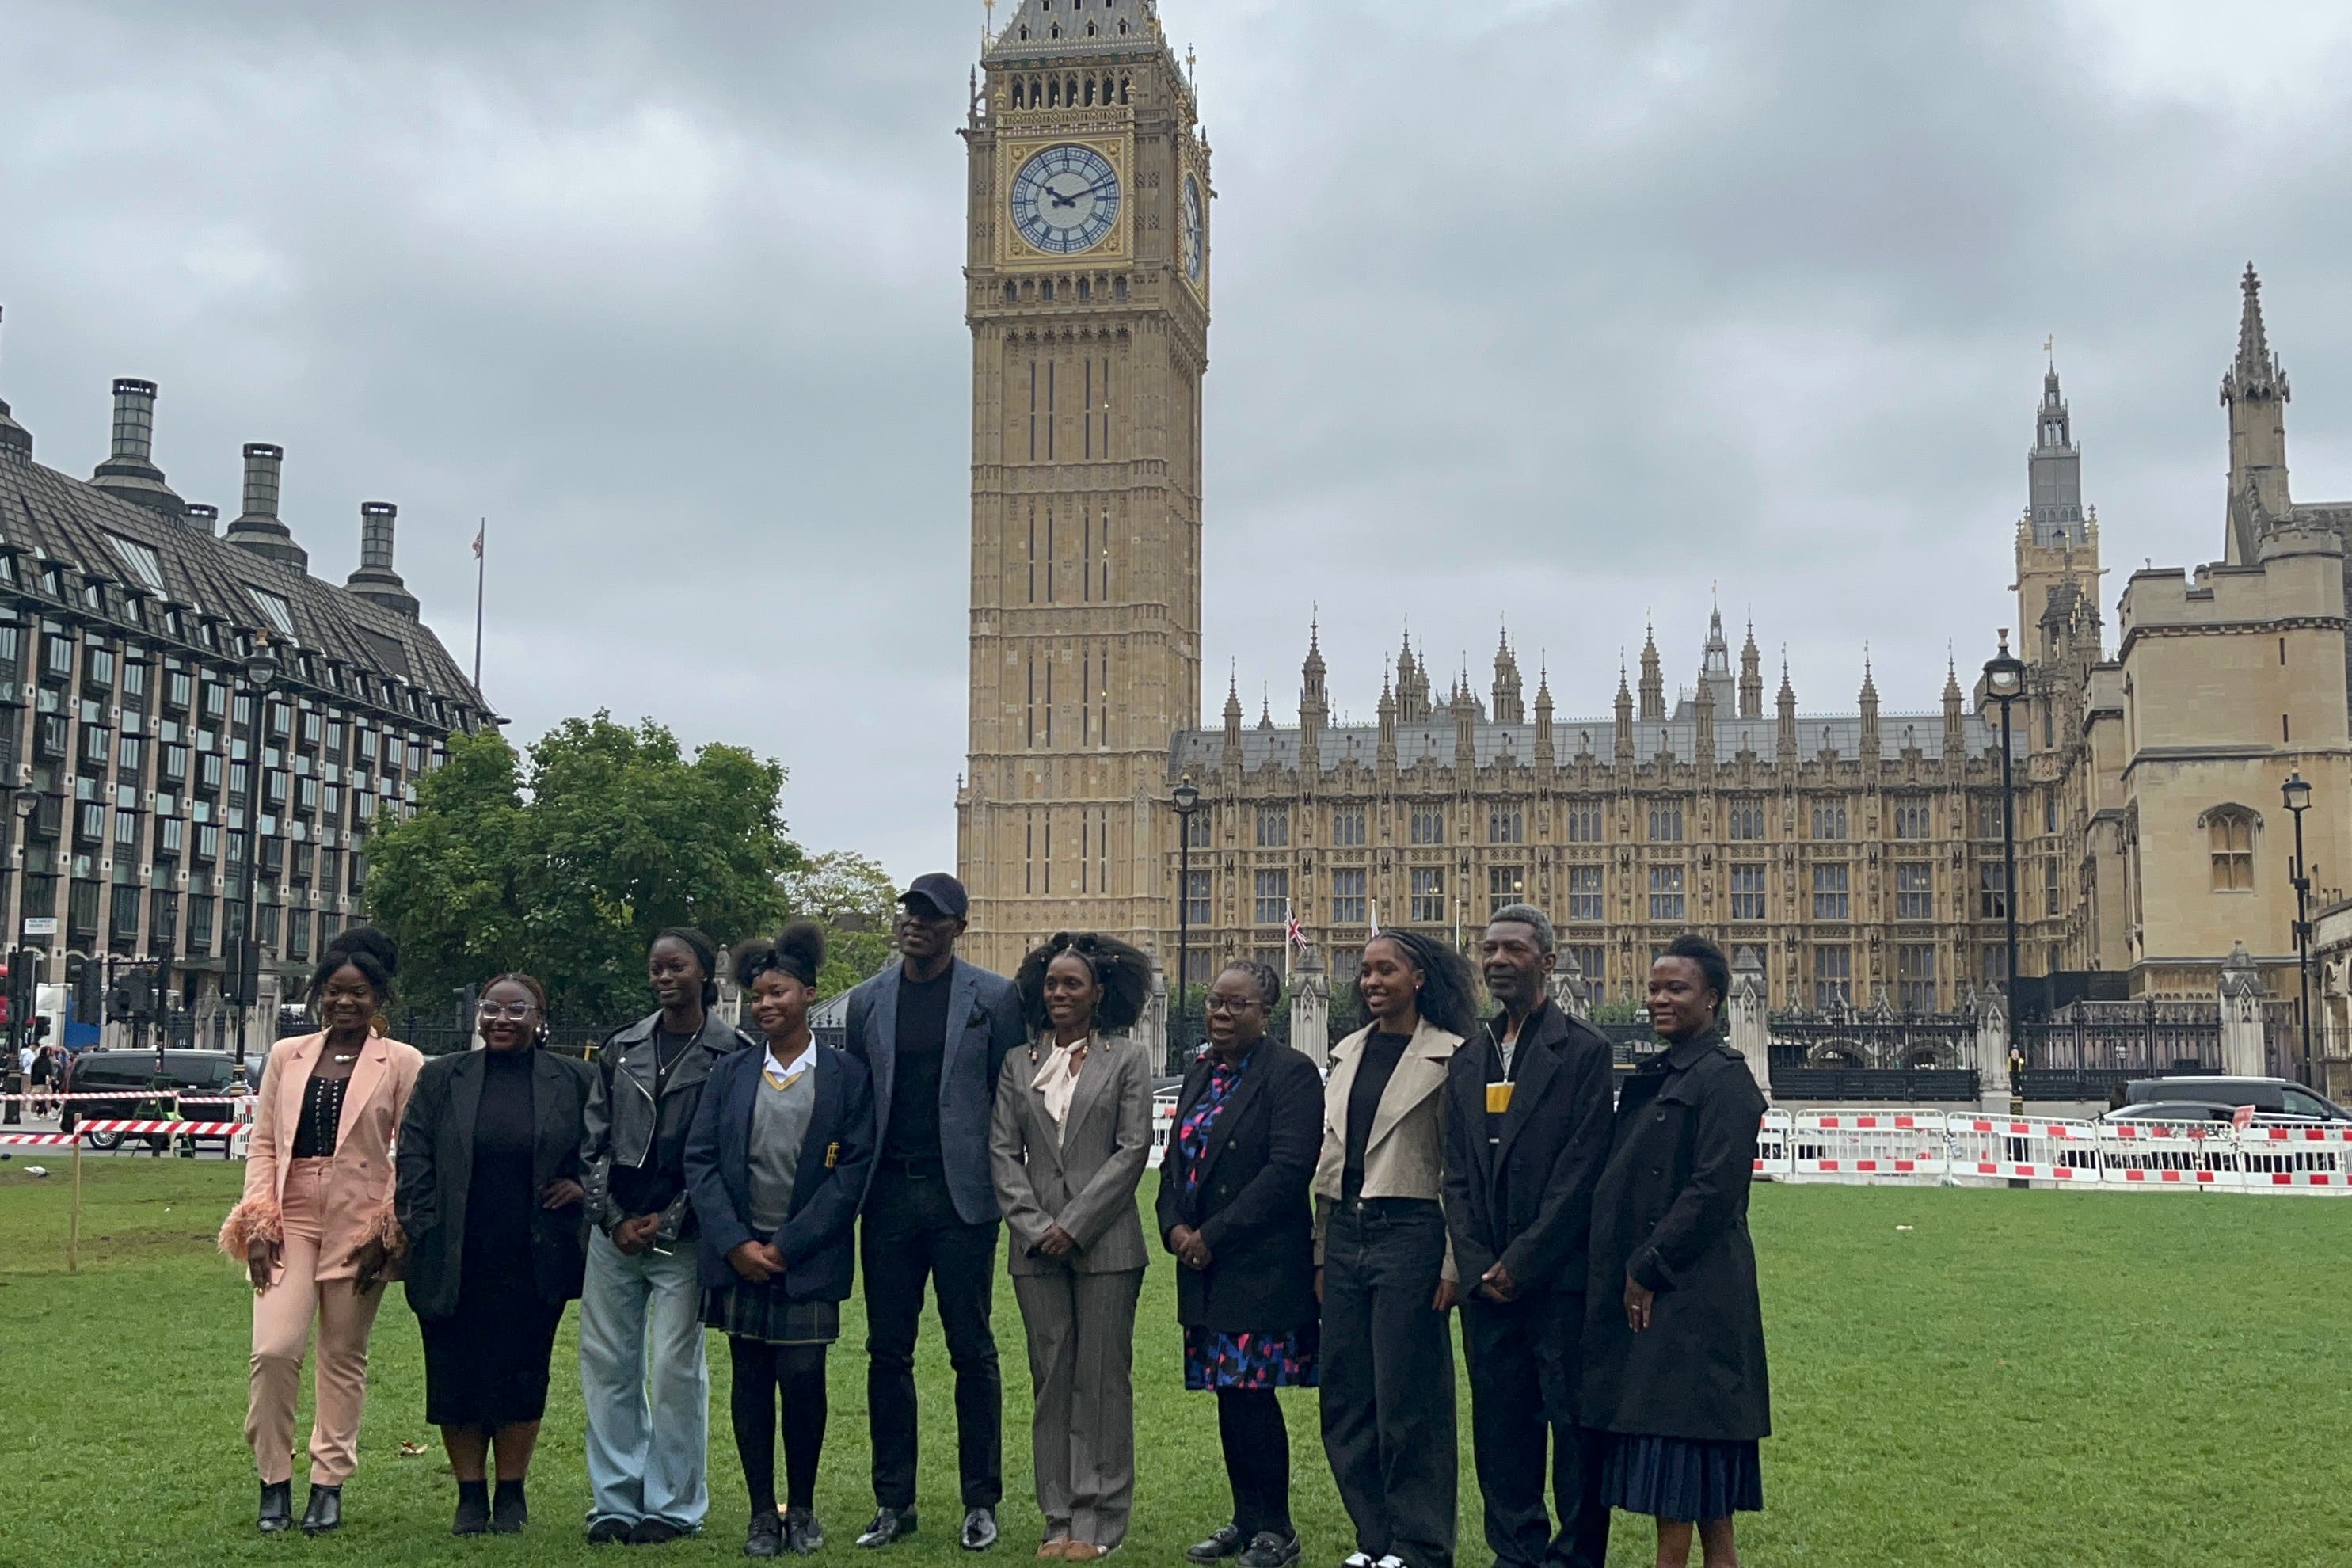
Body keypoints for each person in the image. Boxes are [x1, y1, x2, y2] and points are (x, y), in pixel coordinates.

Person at [841, 872, 1026, 1551]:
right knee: (887, 1351)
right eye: (910, 912)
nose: (915, 923)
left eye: (932, 915)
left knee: (971, 1350)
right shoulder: (867, 1001)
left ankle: (981, 1501)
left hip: (961, 1199)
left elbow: (1011, 1095)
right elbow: (859, 1100)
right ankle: (895, 1503)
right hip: (887, 1198)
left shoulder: (996, 998)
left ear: (958, 928)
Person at [217, 928, 422, 1537]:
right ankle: (273, 1480)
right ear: (319, 994)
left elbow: (411, 1152)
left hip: (361, 1221)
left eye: (358, 993)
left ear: (378, 996)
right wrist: (257, 1222)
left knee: (342, 1356)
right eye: (334, 992)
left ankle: (327, 1483)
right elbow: (262, 1144)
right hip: (291, 1213)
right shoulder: (288, 1055)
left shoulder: (402, 1062)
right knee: (274, 1350)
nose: (345, 1003)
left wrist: (388, 1230)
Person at [686, 923, 877, 1558]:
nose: (767, 1004)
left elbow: (852, 1169)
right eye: (758, 994)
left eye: (779, 992)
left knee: (803, 1379)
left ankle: (804, 1507)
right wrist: (737, 1243)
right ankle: (762, 1513)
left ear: (809, 994)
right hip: (741, 1255)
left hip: (807, 1256)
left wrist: (791, 1243)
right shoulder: (732, 1072)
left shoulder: (847, 1076)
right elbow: (703, 1159)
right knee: (749, 1378)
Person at [1582, 934, 1771, 1568]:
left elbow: (1714, 1189)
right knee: (1708, 1491)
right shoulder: (1666, 1073)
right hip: (1673, 1289)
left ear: (1714, 999)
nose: (1659, 999)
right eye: (1655, 988)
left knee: (1682, 1480)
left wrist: (1648, 1265)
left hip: (1691, 1297)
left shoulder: (1723, 1079)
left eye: (1676, 989)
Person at [1442, 907, 1616, 1568]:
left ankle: (1575, 1555)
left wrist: (1524, 1261)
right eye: (1488, 950)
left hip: (1557, 1279)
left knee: (1572, 1429)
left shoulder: (1584, 1051)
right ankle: (1515, 1550)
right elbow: (1456, 1172)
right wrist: (1483, 1264)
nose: (1497, 961)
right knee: (1502, 1429)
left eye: (1513, 949)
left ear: (1546, 961)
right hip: (1489, 1285)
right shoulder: (1470, 1056)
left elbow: (1580, 1172)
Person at [395, 973, 596, 1536]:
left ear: (540, 1018)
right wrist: (422, 1223)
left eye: (516, 1010)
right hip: (453, 1249)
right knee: (455, 1372)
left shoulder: (573, 1078)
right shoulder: (441, 1078)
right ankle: (469, 1493)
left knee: (521, 1371)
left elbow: (604, 1147)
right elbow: (414, 1152)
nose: (501, 1020)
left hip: (534, 1251)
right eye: (491, 1009)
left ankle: (511, 1491)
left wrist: (583, 1188)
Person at [578, 927, 752, 1545]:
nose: (663, 977)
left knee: (676, 1369)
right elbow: (593, 1142)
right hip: (615, 1232)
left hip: (686, 1236)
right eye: (655, 968)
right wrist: (612, 1217)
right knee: (608, 1366)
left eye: (676, 967)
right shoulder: (622, 1047)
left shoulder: (733, 1053)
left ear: (706, 973)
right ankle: (615, 1502)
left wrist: (671, 1218)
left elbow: (729, 1154)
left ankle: (674, 1505)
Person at [990, 932, 1155, 1562]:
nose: (1060, 994)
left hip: (1107, 1243)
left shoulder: (1128, 1060)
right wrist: (1035, 1227)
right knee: (1051, 1378)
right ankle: (1057, 1517)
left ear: (1098, 994)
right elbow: (1003, 1154)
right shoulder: (1017, 1064)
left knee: (1103, 1381)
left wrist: (1076, 1224)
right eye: (1052, 984)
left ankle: (1100, 1521)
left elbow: (1132, 1149)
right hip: (1034, 1250)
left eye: (1072, 984)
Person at [1315, 930, 1477, 1568]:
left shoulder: (1454, 1056)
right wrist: (1323, 1249)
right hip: (1348, 1232)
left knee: (1410, 1400)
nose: (1372, 982)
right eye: (1365, 972)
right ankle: (1374, 1536)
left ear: (1419, 979)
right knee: (1348, 1396)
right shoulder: (1348, 1051)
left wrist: (1452, 1262)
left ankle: (1421, 1543)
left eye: (1387, 971)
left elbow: (1460, 1170)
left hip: (1411, 1233)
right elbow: (1333, 1159)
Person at [1156, 960, 1323, 1568]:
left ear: (1266, 1012)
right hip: (1202, 1264)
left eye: (1237, 1006)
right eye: (1214, 1003)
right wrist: (1174, 1226)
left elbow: (1287, 1171)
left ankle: (1276, 1527)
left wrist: (1213, 1236)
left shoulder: (1292, 1074)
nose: (1220, 1015)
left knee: (1253, 1396)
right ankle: (1243, 1518)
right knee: (1229, 1395)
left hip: (1258, 1261)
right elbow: (1177, 1163)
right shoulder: (1202, 1069)